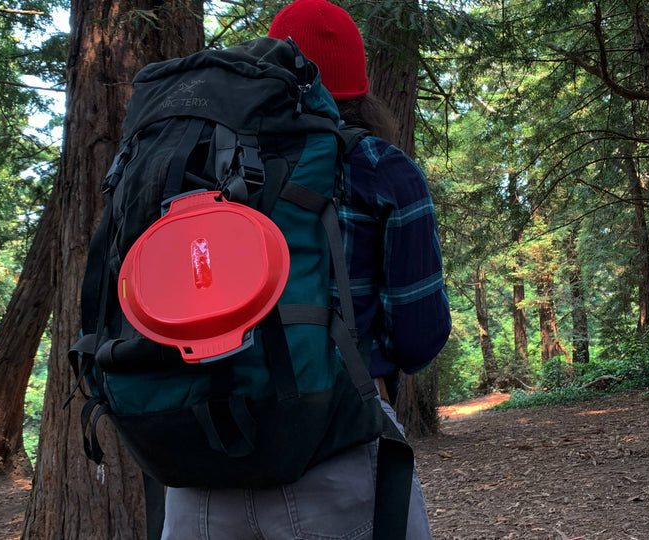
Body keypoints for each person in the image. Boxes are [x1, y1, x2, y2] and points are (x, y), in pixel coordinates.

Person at [161, 1, 450, 538]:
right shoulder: (381, 169)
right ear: (359, 87)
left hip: (200, 459)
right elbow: (418, 336)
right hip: (337, 448)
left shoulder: (199, 167)